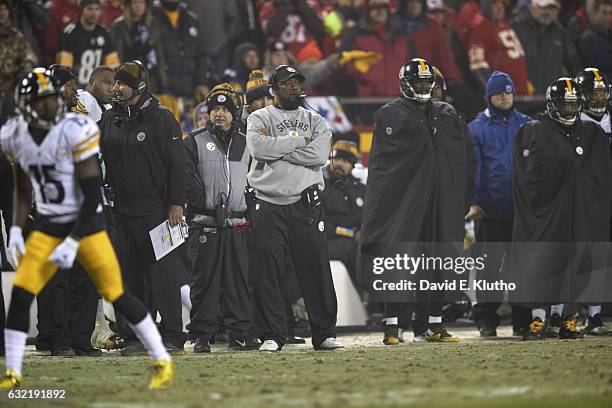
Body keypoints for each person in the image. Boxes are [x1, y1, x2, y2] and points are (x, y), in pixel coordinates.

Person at [0, 67, 174, 389]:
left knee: (113, 291)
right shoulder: (18, 134)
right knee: (25, 292)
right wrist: (14, 230)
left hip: (85, 222)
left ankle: (158, 355)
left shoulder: (76, 128)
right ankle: (13, 371)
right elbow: (22, 189)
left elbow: (92, 188)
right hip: (48, 223)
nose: (40, 106)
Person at [361, 58, 475, 344]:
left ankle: (434, 324)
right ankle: (392, 325)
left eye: (428, 83)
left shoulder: (448, 113)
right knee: (400, 260)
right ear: (405, 84)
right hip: (405, 203)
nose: (424, 87)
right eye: (419, 82)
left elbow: (462, 160)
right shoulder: (390, 114)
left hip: (441, 203)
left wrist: (460, 197)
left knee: (439, 261)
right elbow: (385, 166)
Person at [246, 64, 343, 352]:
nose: (294, 87)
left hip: (306, 204)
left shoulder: (314, 118)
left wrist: (281, 149)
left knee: (315, 270)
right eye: (287, 83)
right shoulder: (259, 117)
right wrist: (299, 143)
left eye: (297, 82)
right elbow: (258, 149)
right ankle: (273, 335)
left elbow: (321, 154)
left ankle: (324, 333)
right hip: (267, 203)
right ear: (274, 88)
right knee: (268, 273)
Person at [512, 77, 611, 341]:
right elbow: (527, 180)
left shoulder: (590, 133)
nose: (568, 110)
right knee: (542, 263)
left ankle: (568, 319)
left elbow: (599, 177)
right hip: (546, 214)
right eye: (563, 105)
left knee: (575, 264)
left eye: (572, 104)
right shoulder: (534, 131)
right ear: (552, 104)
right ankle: (538, 319)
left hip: (578, 212)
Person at [99, 60, 187, 354]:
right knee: (129, 278)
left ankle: (173, 336)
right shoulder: (110, 118)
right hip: (121, 212)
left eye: (121, 83)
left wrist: (176, 203)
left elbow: (178, 165)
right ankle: (137, 338)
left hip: (156, 210)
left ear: (138, 86)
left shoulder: (162, 119)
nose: (115, 88)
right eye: (114, 83)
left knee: (163, 276)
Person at [184, 84, 260, 353]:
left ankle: (239, 333)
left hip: (238, 224)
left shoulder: (247, 140)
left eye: (225, 109)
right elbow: (186, 177)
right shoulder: (194, 140)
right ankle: (202, 335)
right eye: (214, 109)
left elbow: (256, 177)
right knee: (205, 283)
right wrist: (200, 200)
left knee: (239, 281)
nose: (219, 114)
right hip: (205, 223)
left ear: (234, 112)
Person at [467, 71, 532, 337]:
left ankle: (523, 318)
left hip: (521, 211)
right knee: (489, 268)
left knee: (522, 266)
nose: (504, 96)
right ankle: (486, 320)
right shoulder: (476, 128)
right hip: (489, 210)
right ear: (489, 96)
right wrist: (473, 202)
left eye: (507, 91)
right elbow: (473, 169)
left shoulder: (528, 125)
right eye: (498, 92)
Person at [574, 67, 612, 336]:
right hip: (586, 198)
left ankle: (595, 313)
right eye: (592, 93)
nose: (598, 98)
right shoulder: (572, 122)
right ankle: (584, 313)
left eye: (601, 93)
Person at [511, 0, 582, 95]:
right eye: (543, 7)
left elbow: (573, 64)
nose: (547, 12)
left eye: (552, 8)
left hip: (550, 95)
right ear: (532, 8)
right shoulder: (516, 27)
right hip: (521, 94)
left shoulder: (561, 33)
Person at [464, 0, 529, 95]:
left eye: (502, 3)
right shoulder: (480, 26)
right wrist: (493, 92)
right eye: (494, 3)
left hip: (520, 93)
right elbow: (478, 65)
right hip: (504, 96)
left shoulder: (503, 23)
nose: (499, 7)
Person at [56, 0, 120, 87]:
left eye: (97, 9)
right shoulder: (70, 33)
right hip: (75, 87)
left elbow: (113, 67)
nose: (94, 13)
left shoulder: (104, 33)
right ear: (81, 10)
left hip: (96, 89)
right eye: (89, 9)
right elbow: (64, 68)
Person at [109, 0, 167, 94]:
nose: (138, 6)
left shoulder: (152, 25)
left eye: (141, 2)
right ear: (128, 4)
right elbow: (116, 57)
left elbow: (159, 55)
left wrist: (164, 83)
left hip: (152, 79)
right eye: (135, 2)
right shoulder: (119, 26)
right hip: (129, 80)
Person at [579, 0, 612, 77]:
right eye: (604, 13)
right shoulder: (588, 38)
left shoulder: (608, 35)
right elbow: (604, 63)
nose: (608, 17)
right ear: (594, 14)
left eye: (610, 14)